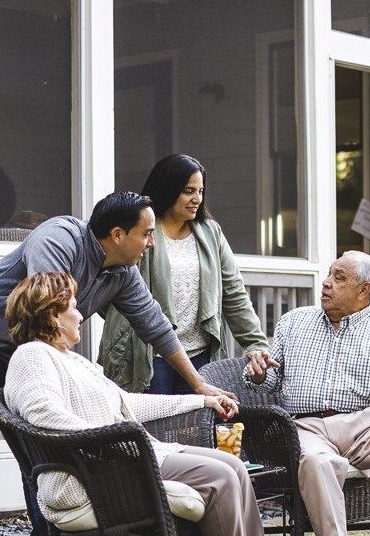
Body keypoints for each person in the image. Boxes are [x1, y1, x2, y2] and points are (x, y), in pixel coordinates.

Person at [0, 191, 235, 536]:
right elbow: (44, 308)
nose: (152, 243)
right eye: (147, 233)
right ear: (118, 235)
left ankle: (45, 530)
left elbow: (155, 324)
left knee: (36, 445)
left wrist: (198, 385)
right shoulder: (60, 238)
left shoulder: (123, 272)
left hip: (30, 348)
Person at [3, 272, 264, 535]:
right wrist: (110, 441)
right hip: (93, 474)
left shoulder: (71, 360)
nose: (80, 315)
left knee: (235, 467)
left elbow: (125, 403)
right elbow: (43, 413)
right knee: (222, 477)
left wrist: (202, 401)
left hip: (120, 461)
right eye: (72, 306)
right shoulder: (32, 356)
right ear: (52, 316)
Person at [244, 251, 370, 536]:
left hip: (366, 428)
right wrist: (258, 374)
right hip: (308, 426)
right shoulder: (294, 322)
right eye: (328, 274)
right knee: (318, 462)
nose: (326, 283)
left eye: (338, 277)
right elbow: (272, 378)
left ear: (363, 290)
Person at [99, 154, 270, 394]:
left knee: (196, 429)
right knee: (153, 427)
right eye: (189, 191)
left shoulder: (211, 233)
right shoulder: (143, 230)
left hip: (199, 355)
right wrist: (123, 326)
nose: (197, 199)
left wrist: (254, 343)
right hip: (148, 354)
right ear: (168, 189)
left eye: (200, 191)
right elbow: (109, 285)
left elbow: (233, 292)